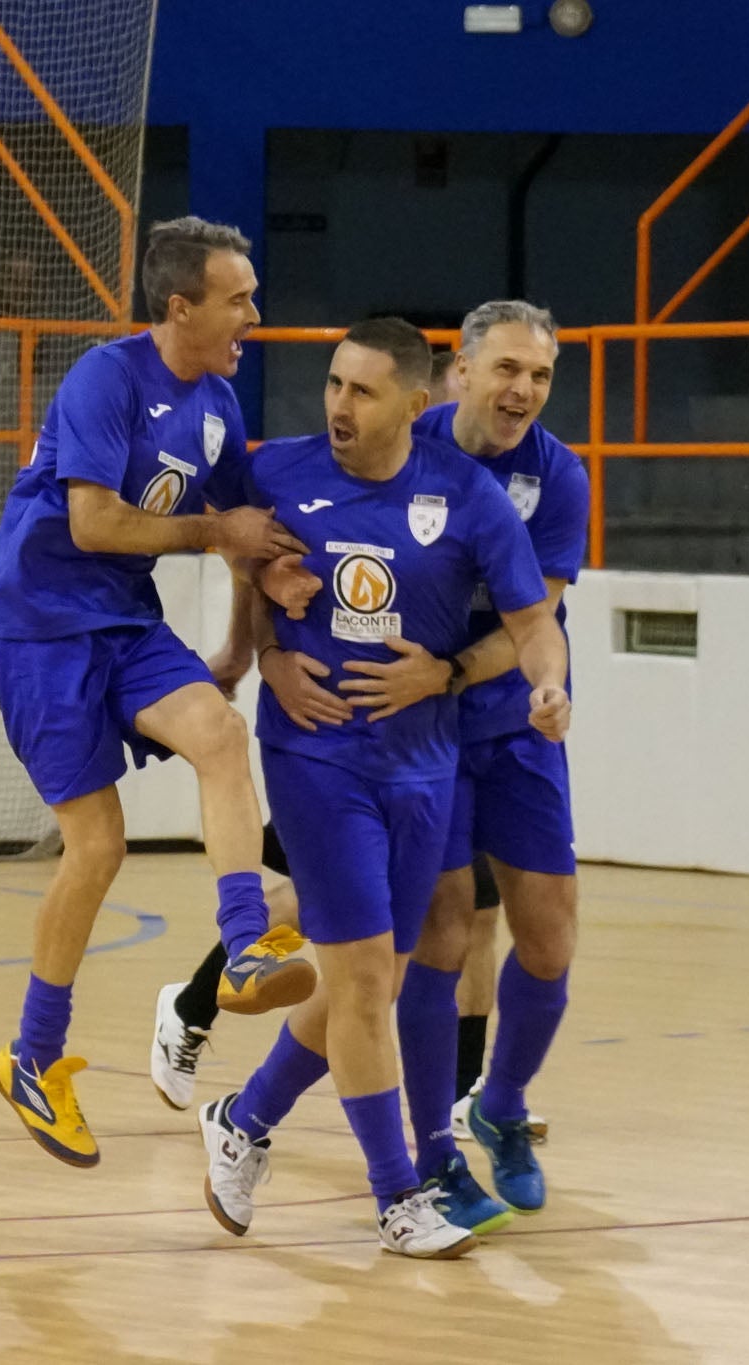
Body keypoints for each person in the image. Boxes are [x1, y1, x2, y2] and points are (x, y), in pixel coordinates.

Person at [195, 316, 571, 1259]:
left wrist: (549, 682)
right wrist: (265, 646)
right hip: (318, 756)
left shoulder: (472, 497)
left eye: (360, 391)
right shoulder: (275, 469)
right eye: (331, 383)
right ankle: (400, 1193)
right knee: (366, 977)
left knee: (377, 978)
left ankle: (244, 1116)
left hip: (427, 762)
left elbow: (534, 620)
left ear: (416, 404)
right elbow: (233, 542)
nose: (337, 405)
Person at [0, 217, 318, 1169]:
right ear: (181, 306)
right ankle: (33, 1056)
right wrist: (220, 536)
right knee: (99, 845)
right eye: (239, 297)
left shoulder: (214, 398)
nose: (255, 312)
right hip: (38, 629)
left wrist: (278, 580)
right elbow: (92, 523)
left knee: (219, 730)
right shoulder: (106, 379)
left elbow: (248, 521)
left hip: (122, 619)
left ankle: (245, 946)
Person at [310, 300, 584, 1223]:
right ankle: (431, 1153)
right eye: (507, 369)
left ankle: (498, 1104)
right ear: (458, 374)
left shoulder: (560, 478)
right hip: (415, 735)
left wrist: (521, 685)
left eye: (540, 376)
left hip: (505, 718)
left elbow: (531, 619)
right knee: (438, 930)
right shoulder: (404, 437)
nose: (523, 391)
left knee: (548, 938)